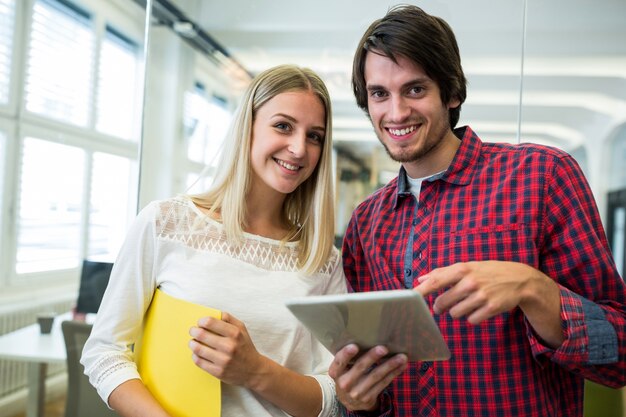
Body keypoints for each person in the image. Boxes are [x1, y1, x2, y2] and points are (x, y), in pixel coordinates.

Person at [328, 5, 626, 417]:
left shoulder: (542, 176)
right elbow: (374, 375)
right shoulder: (367, 222)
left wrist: (535, 289)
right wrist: (359, 403)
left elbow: (619, 354)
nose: (395, 113)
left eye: (415, 89)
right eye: (380, 94)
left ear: (452, 93)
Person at [81, 64, 347, 417]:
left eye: (314, 136)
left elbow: (332, 397)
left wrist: (255, 370)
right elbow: (104, 352)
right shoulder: (166, 224)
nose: (299, 148)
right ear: (247, 128)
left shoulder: (322, 261)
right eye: (283, 126)